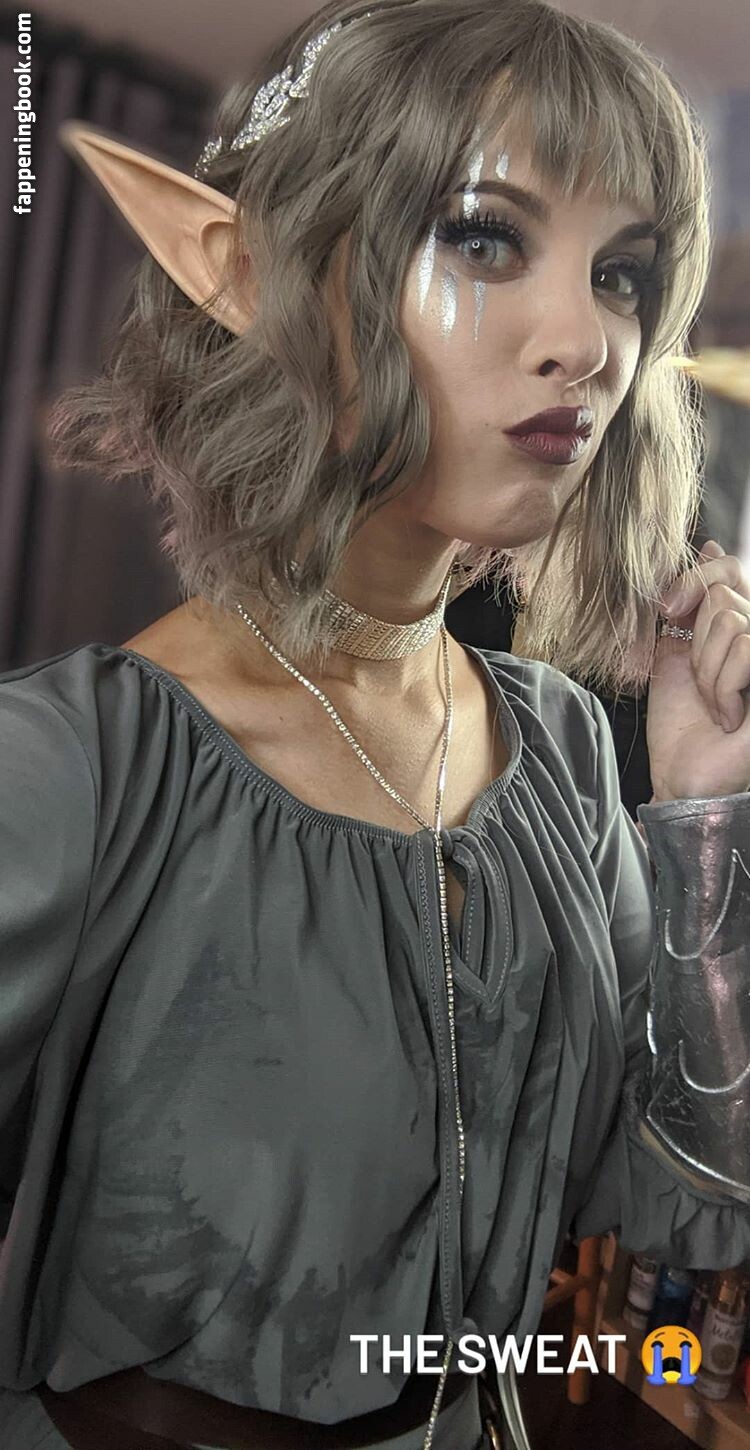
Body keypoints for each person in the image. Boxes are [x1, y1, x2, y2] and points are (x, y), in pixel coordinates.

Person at [2, 1, 750, 1446]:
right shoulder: (77, 768)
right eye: (484, 239)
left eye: (622, 274)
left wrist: (703, 816)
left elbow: (668, 1226)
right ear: (258, 274)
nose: (585, 342)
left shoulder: (560, 753)